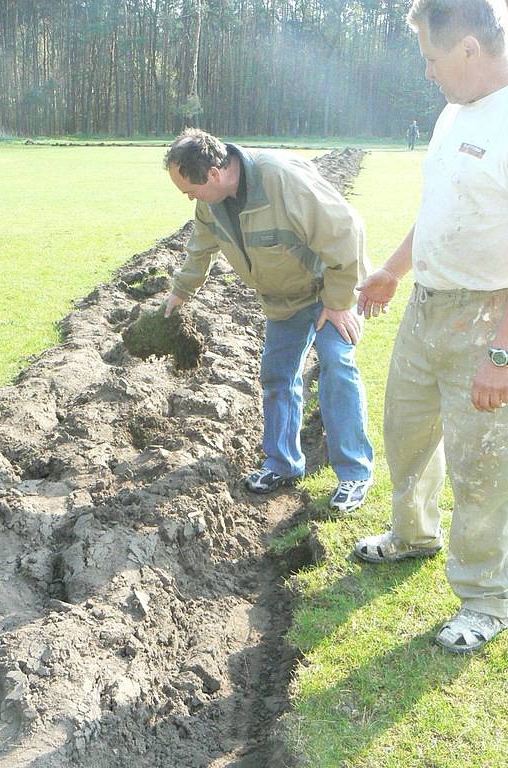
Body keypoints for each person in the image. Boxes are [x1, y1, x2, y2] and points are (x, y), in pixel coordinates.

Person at [354, 0, 508, 653]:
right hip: (427, 305)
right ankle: (413, 534)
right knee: (407, 432)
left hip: (488, 315)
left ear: (470, 50)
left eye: (433, 57)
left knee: (482, 465)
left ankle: (486, 598)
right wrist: (392, 269)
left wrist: (501, 355)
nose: (427, 71)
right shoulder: (453, 114)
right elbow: (440, 210)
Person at [163, 129, 374, 512]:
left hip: (332, 286)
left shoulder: (280, 179)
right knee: (277, 374)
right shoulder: (211, 204)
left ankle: (354, 473)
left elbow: (346, 230)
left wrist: (340, 302)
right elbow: (200, 249)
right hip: (285, 298)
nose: (189, 198)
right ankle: (283, 464)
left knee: (336, 365)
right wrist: (180, 292)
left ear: (213, 174)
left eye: (190, 190)